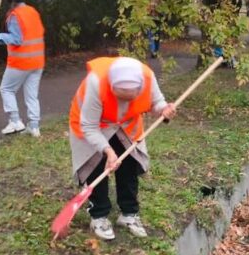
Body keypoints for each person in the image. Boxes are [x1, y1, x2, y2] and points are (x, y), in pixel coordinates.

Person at [69, 56, 176, 240]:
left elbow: (157, 102)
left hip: (126, 126)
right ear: (111, 87)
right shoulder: (96, 82)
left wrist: (164, 109)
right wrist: (108, 151)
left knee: (128, 166)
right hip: (93, 126)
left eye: (130, 98)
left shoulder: (147, 77)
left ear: (140, 87)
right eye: (120, 97)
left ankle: (128, 214)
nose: (124, 103)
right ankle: (99, 216)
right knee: (97, 168)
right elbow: (89, 126)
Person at [0, 0, 45, 137]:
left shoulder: (15, 16)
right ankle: (34, 127)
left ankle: (15, 121)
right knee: (31, 95)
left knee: (6, 89)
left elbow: (17, 39)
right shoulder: (32, 11)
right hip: (37, 61)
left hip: (21, 62)